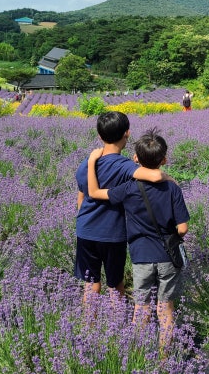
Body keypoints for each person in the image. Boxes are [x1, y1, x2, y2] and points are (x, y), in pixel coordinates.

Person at [87, 127, 189, 349]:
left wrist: (92, 162)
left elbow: (94, 193)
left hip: (141, 256)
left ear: (135, 158)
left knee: (141, 307)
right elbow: (182, 228)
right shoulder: (173, 189)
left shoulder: (128, 188)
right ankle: (163, 360)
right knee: (166, 309)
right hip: (167, 259)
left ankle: (137, 355)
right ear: (164, 160)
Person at [75, 111, 168, 297]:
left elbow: (81, 198)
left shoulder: (87, 163)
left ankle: (90, 325)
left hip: (85, 230)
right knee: (115, 284)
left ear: (100, 136)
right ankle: (117, 324)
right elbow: (156, 175)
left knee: (91, 284)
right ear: (127, 133)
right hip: (112, 234)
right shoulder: (125, 166)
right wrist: (170, 180)